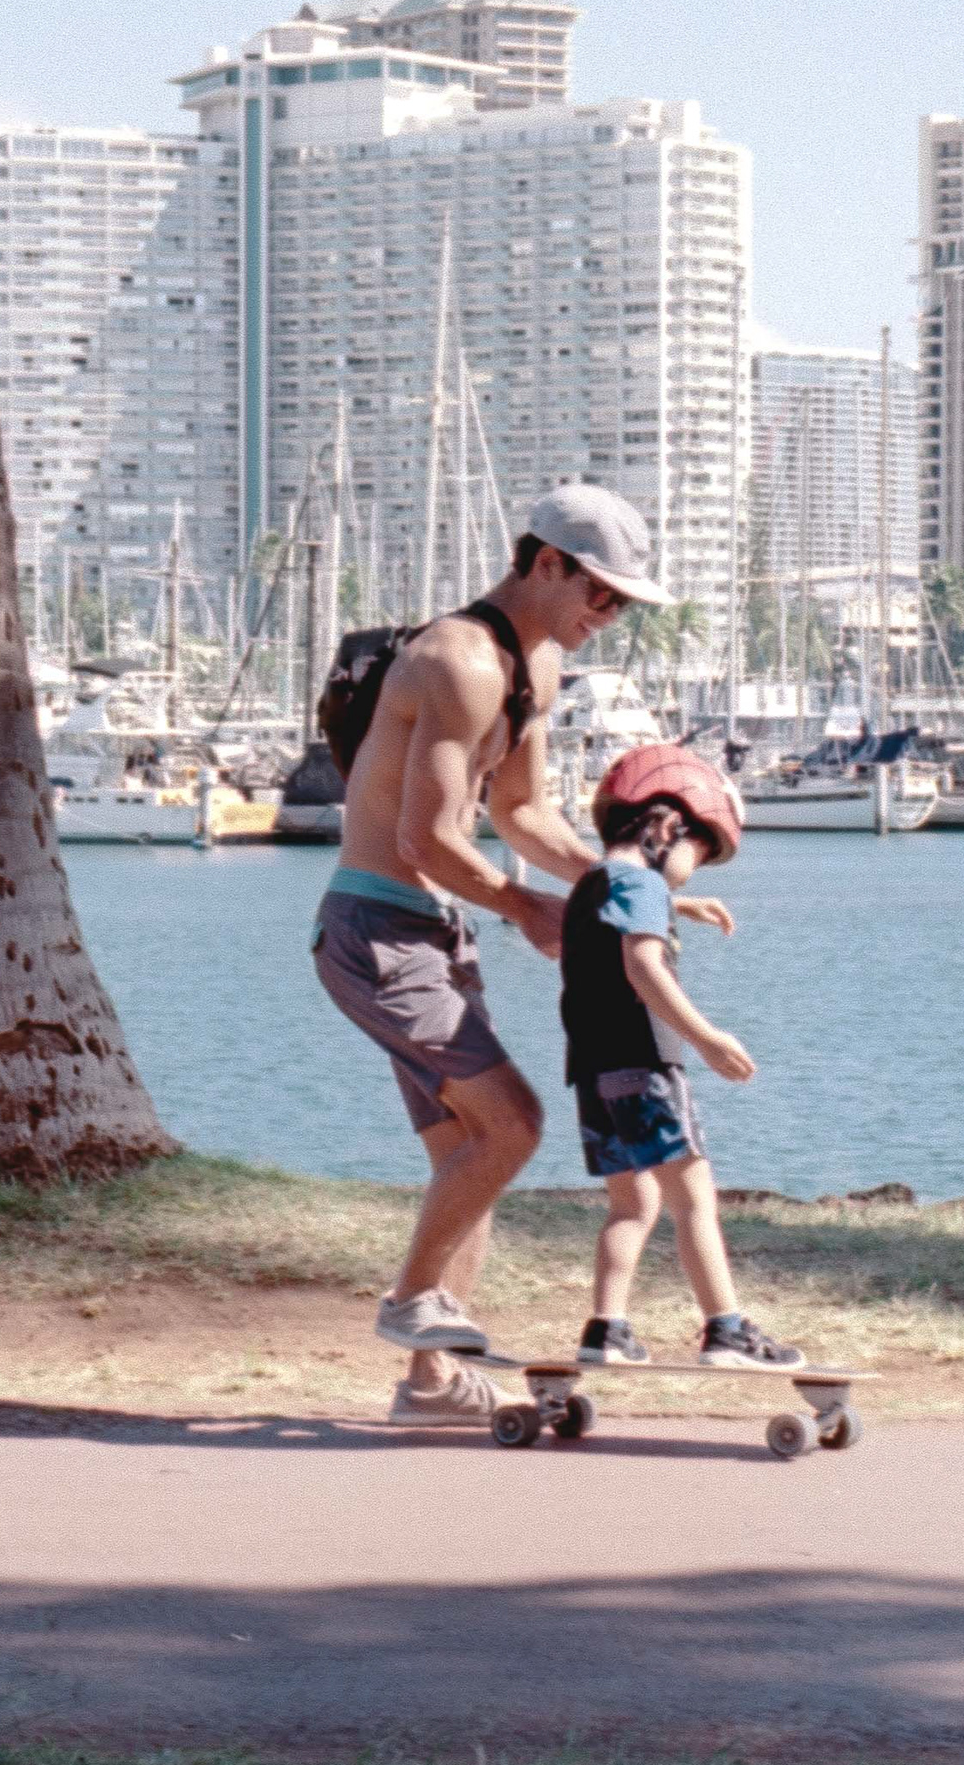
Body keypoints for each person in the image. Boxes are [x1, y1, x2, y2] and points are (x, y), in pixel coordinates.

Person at [312, 485, 722, 1423]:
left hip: (428, 934)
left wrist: (630, 889)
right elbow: (425, 838)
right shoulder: (455, 660)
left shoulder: (534, 665)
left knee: (471, 1155)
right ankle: (412, 1302)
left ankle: (429, 1388)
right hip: (375, 926)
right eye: (602, 595)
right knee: (516, 1125)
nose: (607, 617)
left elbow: (522, 814)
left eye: (622, 604)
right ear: (545, 562)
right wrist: (524, 908)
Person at [562, 744, 799, 1370]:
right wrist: (707, 1036)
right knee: (694, 1196)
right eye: (699, 853)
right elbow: (641, 965)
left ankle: (605, 1329)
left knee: (632, 1205)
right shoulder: (641, 881)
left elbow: (613, 935)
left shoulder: (590, 884)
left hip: (592, 1074)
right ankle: (725, 1330)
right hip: (645, 1067)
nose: (693, 870)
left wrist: (678, 906)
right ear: (666, 827)